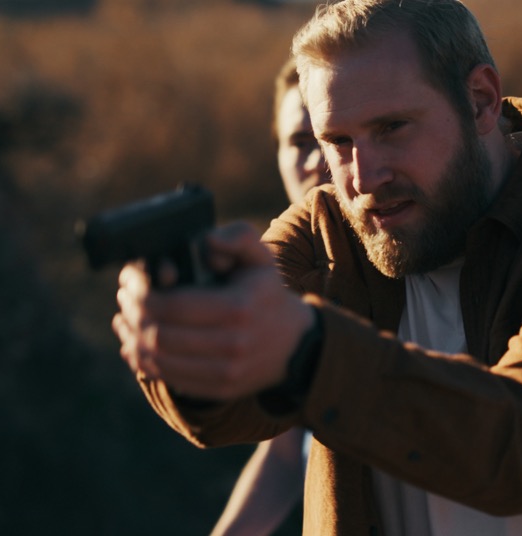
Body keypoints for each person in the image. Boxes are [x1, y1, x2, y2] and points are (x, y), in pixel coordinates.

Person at [113, 0, 522, 533]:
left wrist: (309, 352)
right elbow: (221, 416)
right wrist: (188, 337)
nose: (363, 175)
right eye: (339, 141)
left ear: (481, 100)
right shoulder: (327, 227)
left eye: (392, 129)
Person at [209, 58, 327, 536]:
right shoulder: (285, 276)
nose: (318, 158)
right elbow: (285, 452)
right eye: (299, 142)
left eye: (331, 136)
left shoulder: (417, 274)